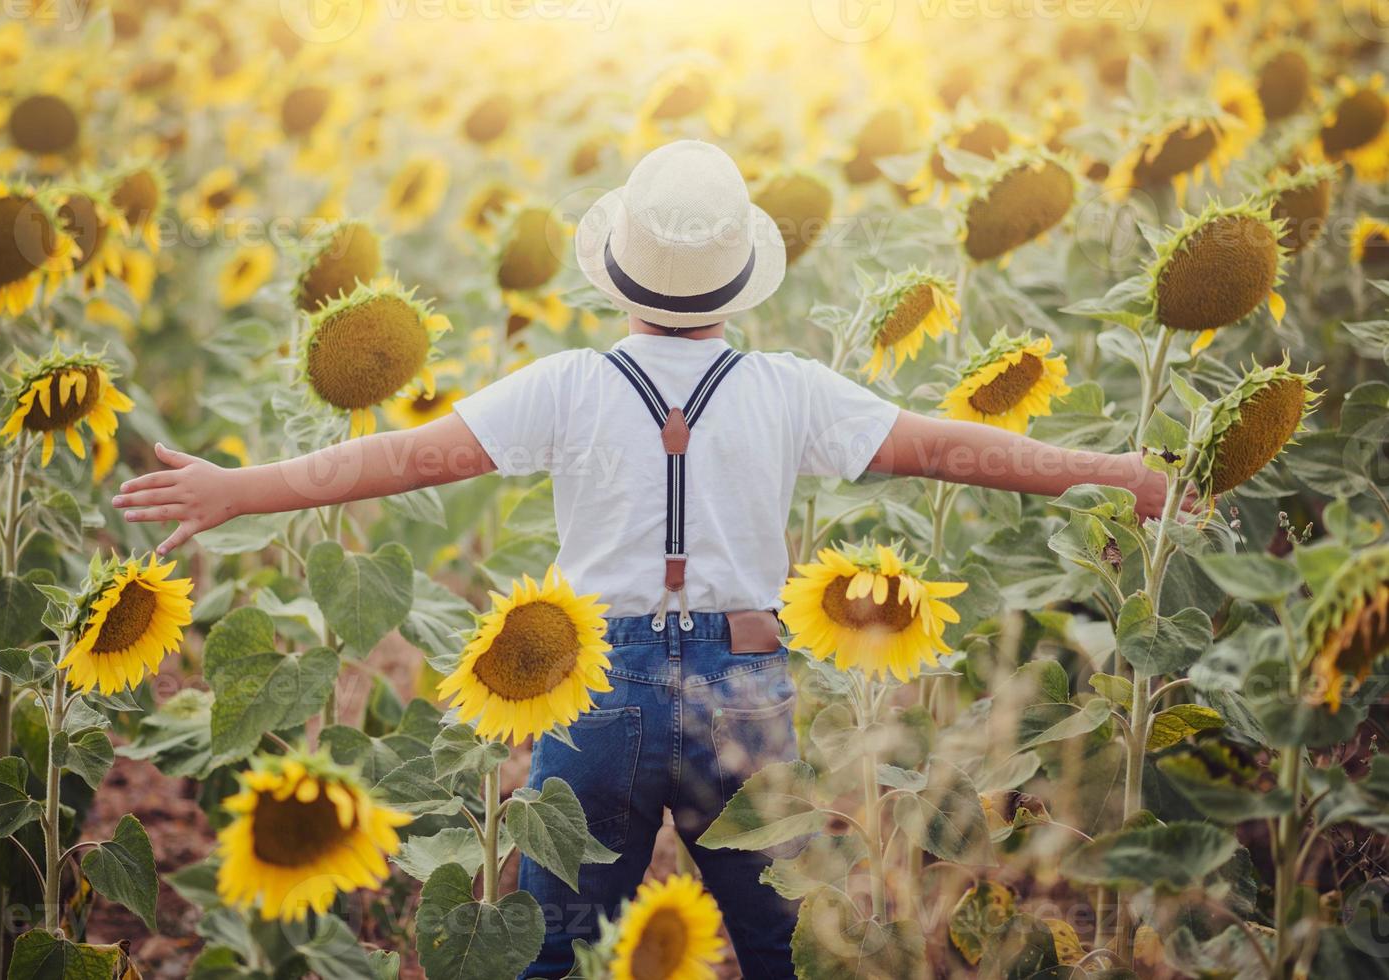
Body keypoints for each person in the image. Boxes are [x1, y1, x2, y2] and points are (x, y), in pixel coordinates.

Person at [113, 140, 1181, 978]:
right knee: (783, 951)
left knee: (552, 953)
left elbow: (396, 458)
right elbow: (952, 447)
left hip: (592, 690)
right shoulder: (790, 389)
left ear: (619, 270)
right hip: (745, 689)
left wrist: (235, 488)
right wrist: (1113, 469)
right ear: (738, 277)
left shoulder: (568, 381)